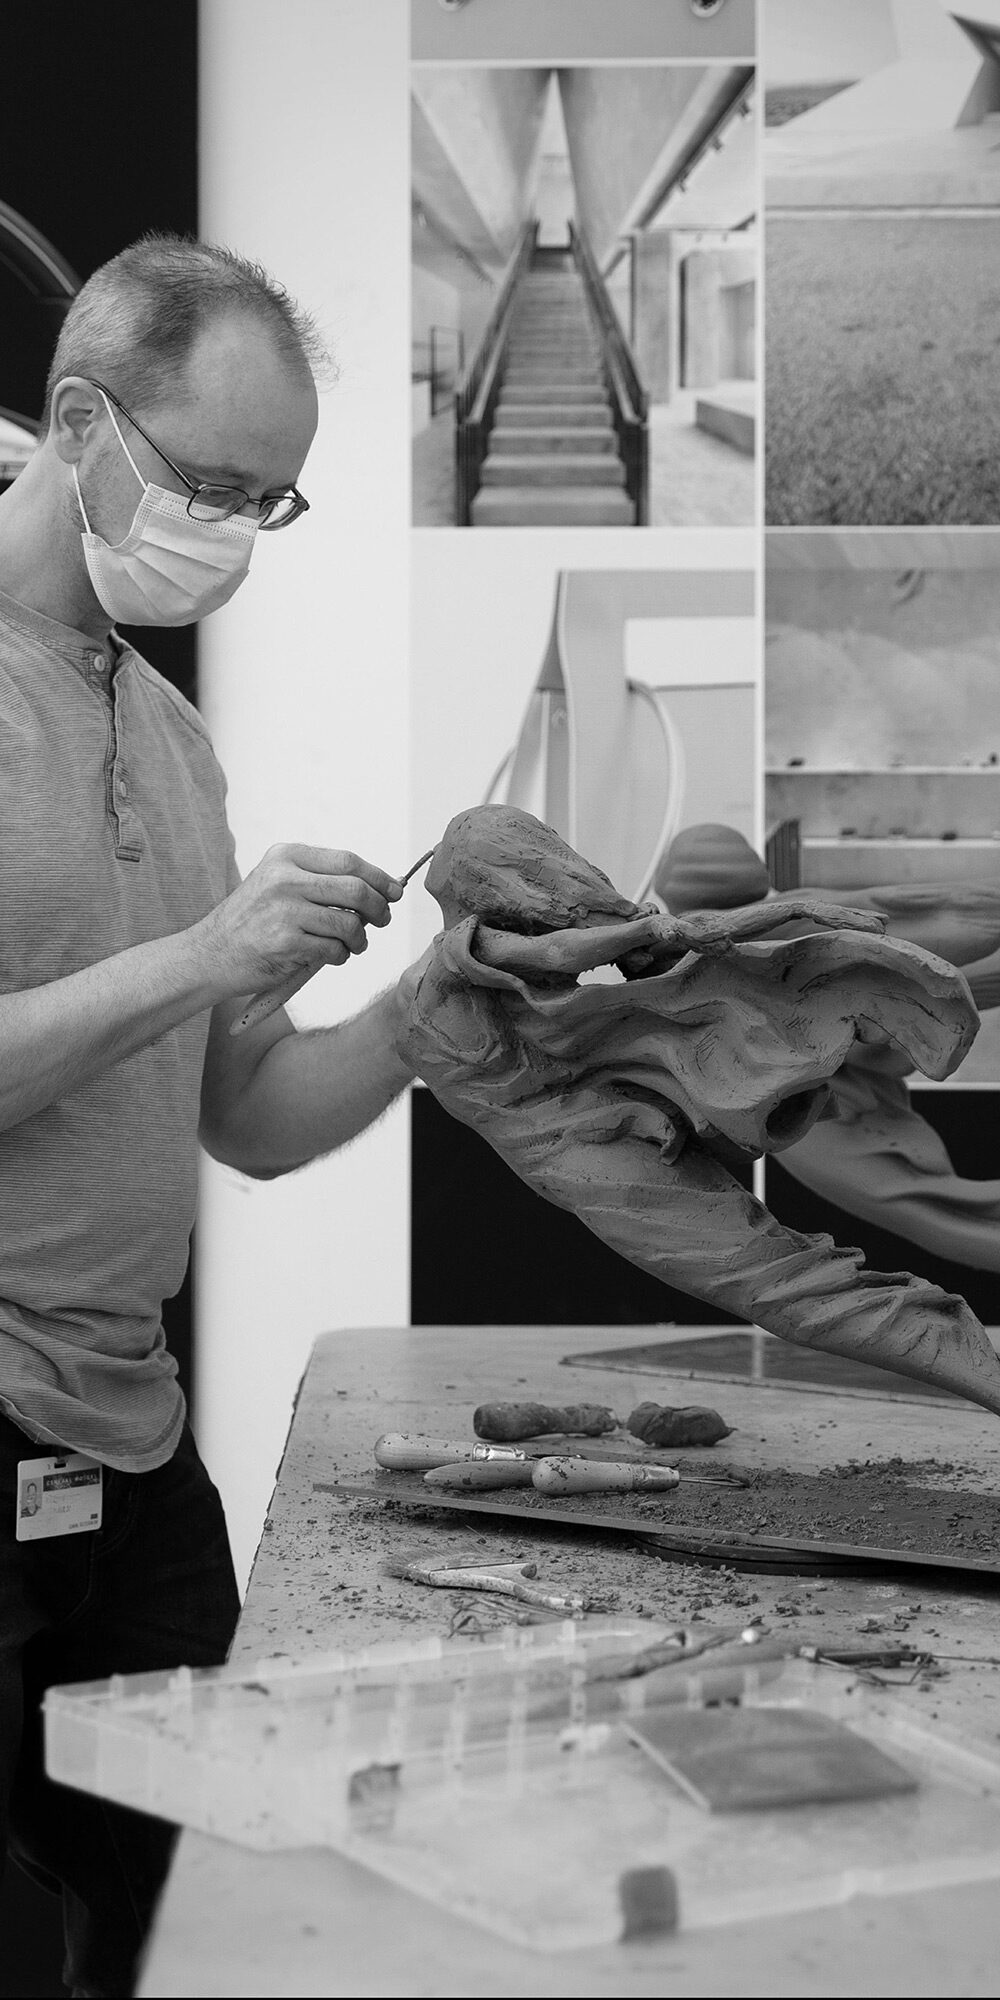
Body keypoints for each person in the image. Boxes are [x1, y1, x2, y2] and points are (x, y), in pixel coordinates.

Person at [0, 234, 419, 1998]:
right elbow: (179, 993)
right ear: (80, 420)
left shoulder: (172, 736)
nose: (234, 536)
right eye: (212, 487)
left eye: (271, 503)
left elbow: (240, 1117)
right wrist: (200, 953)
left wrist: (433, 1013)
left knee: (208, 1924)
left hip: (120, 1435)